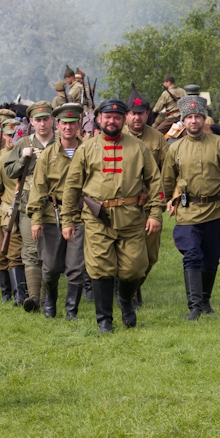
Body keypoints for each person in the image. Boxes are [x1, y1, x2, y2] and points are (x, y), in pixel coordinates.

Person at [61, 99, 163, 332]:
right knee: (100, 268)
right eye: (107, 117)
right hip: (97, 218)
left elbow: (155, 182)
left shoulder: (138, 147)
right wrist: (67, 220)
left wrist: (155, 213)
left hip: (131, 217)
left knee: (135, 267)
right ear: (99, 119)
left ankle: (126, 301)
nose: (112, 121)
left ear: (124, 119)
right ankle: (104, 320)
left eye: (117, 117)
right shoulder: (86, 148)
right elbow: (72, 187)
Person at [161, 95, 220, 320]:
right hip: (188, 211)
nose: (193, 121)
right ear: (183, 120)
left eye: (197, 117)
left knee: (211, 258)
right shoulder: (175, 148)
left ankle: (205, 300)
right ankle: (194, 306)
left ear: (204, 119)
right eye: (189, 117)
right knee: (191, 255)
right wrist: (168, 201)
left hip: (215, 210)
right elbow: (167, 179)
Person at [28, 103, 87, 319]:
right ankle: (50, 303)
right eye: (64, 123)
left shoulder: (88, 150)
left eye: (73, 123)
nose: (68, 127)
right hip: (52, 215)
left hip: (80, 216)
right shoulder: (47, 155)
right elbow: (38, 188)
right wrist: (35, 218)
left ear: (79, 125)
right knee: (51, 267)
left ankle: (71, 311)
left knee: (75, 267)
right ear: (58, 125)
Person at [3, 101, 58, 310]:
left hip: (55, 202)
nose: (42, 124)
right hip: (28, 200)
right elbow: (9, 172)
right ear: (32, 122)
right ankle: (34, 298)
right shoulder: (24, 143)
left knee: (51, 252)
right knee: (31, 249)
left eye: (46, 119)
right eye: (38, 120)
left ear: (52, 120)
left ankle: (47, 298)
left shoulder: (63, 142)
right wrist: (22, 159)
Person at [123, 86, 168, 306]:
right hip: (123, 203)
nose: (137, 117)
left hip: (150, 201)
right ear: (126, 115)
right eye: (132, 113)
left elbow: (166, 173)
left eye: (141, 113)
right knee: (128, 253)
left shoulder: (158, 139)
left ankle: (133, 285)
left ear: (148, 114)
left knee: (150, 255)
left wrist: (160, 202)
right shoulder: (117, 136)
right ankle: (129, 293)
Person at [0, 113, 30, 307]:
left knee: (28, 255)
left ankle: (28, 293)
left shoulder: (35, 156)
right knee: (6, 255)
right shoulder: (1, 160)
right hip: (7, 213)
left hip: (28, 211)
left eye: (17, 135)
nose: (13, 139)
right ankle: (10, 293)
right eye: (10, 136)